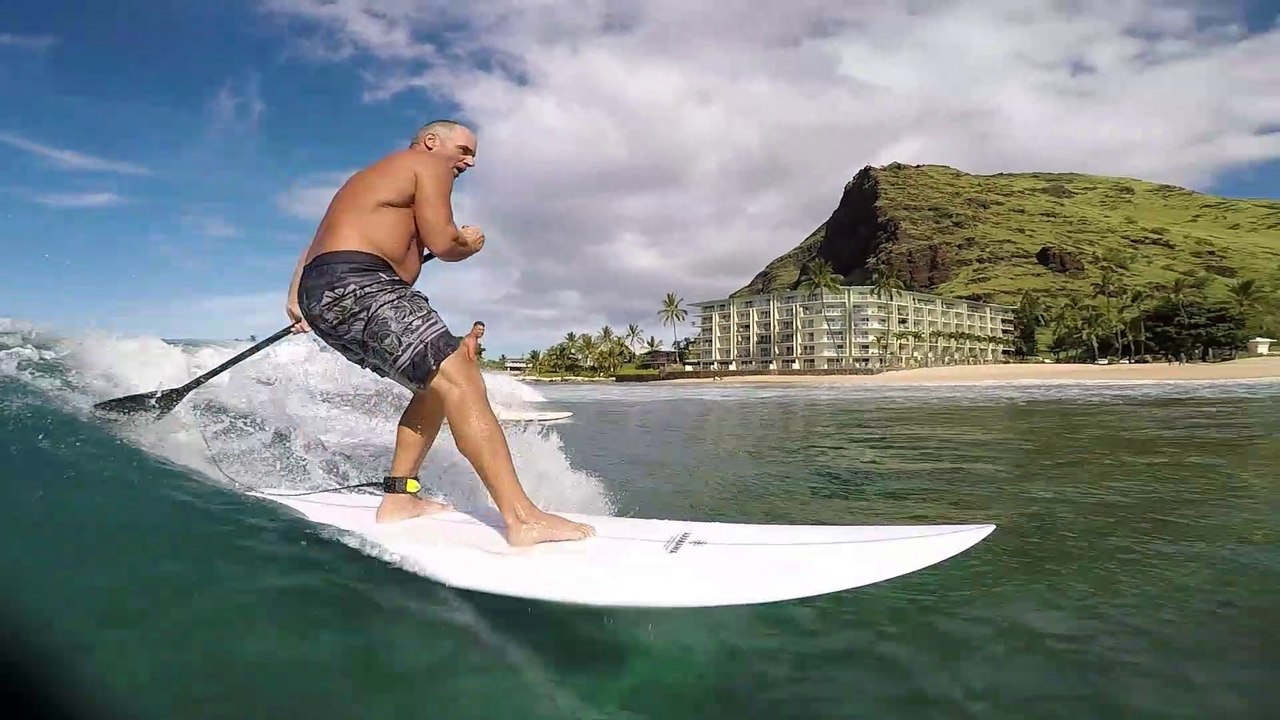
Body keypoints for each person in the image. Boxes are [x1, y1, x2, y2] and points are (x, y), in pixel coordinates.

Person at [284, 119, 594, 547]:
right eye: (464, 151)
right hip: (362, 283)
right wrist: (468, 242)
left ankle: (399, 498)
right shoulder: (423, 165)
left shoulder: (366, 180)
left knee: (434, 389)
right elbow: (444, 244)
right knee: (462, 378)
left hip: (328, 292)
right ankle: (523, 519)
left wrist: (298, 298)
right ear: (432, 142)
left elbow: (315, 245)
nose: (468, 162)